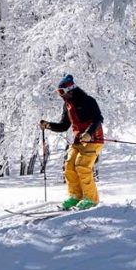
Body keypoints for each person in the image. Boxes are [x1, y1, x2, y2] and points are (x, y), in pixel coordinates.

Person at [39, 74, 104, 210]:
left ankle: (91, 199)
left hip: (93, 139)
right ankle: (76, 196)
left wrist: (89, 133)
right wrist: (48, 125)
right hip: (78, 140)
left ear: (71, 90)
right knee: (69, 166)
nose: (60, 95)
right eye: (58, 92)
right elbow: (64, 126)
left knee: (82, 166)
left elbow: (98, 119)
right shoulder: (67, 106)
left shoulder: (88, 101)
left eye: (62, 92)